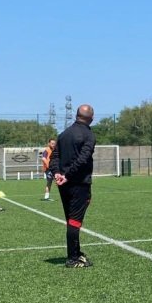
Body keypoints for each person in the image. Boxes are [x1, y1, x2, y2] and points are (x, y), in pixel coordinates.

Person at [51, 104, 96, 268]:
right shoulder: (89, 135)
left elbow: (54, 156)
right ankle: (72, 258)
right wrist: (66, 175)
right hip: (79, 183)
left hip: (64, 184)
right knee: (75, 221)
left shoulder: (63, 134)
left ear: (77, 115)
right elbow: (83, 159)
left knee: (71, 220)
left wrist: (57, 172)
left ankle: (76, 253)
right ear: (91, 118)